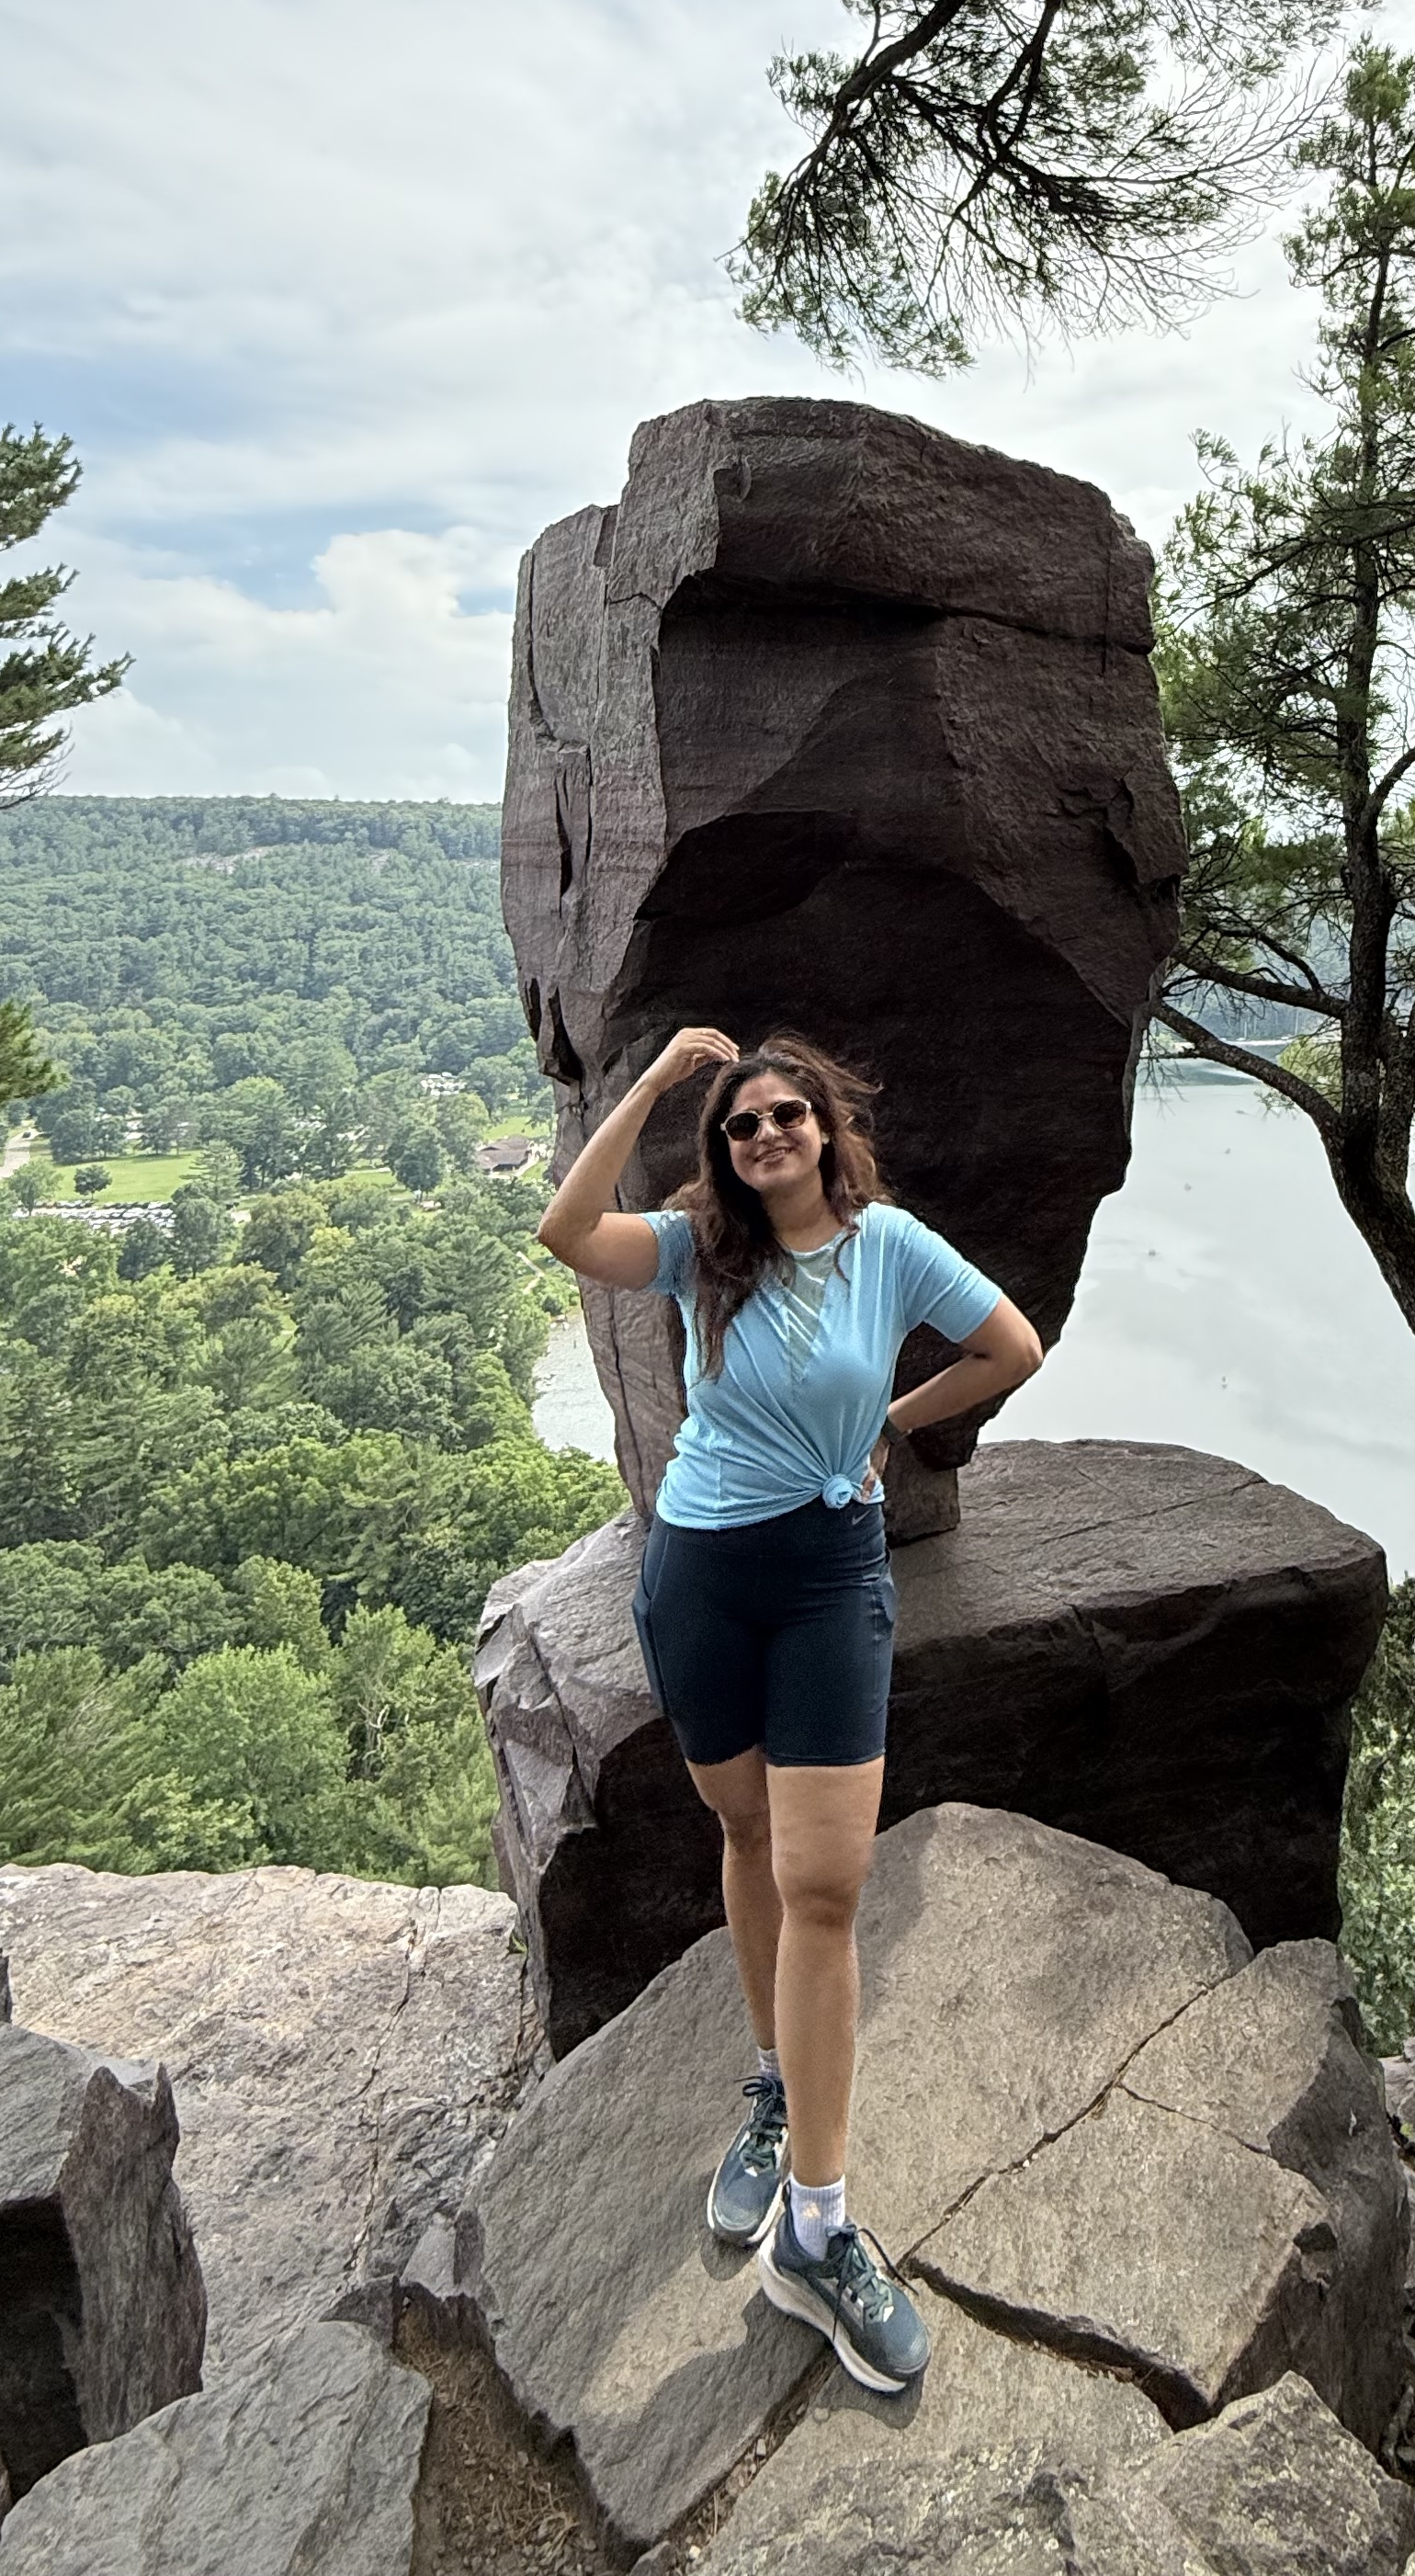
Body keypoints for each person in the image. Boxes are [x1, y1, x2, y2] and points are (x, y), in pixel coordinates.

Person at [538, 1021, 1044, 2391]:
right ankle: (769, 2083)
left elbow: (1015, 1348)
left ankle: (817, 2228)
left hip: (829, 1573)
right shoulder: (702, 1248)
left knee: (827, 1880)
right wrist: (650, 1087)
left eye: (786, 1118)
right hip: (699, 1575)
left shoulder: (891, 1247)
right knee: (748, 1839)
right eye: (743, 1124)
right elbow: (565, 1230)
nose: (765, 1137)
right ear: (726, 1148)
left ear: (827, 1130)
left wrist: (891, 1420)